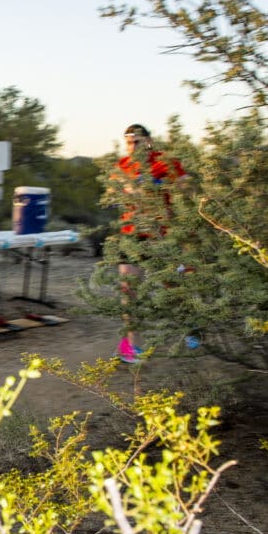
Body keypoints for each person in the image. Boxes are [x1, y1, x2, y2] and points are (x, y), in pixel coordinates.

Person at [110, 123, 188, 363]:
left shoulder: (163, 160)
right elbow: (114, 193)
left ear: (148, 141)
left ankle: (191, 328)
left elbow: (185, 183)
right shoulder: (123, 165)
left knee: (172, 286)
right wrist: (122, 190)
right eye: (129, 142)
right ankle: (131, 347)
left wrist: (161, 186)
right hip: (131, 233)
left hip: (159, 233)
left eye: (137, 142)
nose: (132, 147)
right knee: (129, 290)